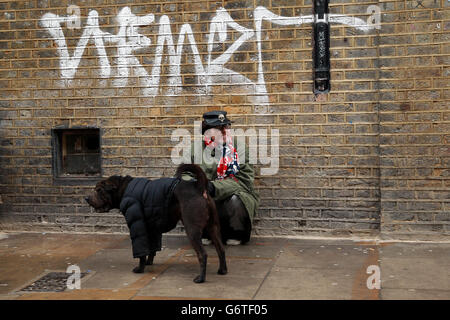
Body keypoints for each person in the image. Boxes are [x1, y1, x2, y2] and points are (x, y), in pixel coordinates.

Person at [184, 111, 259, 245]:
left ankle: (236, 233)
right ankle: (205, 233)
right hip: (204, 196)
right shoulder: (195, 148)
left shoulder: (239, 147)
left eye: (227, 127)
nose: (225, 131)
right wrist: (197, 187)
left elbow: (243, 180)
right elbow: (184, 174)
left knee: (236, 200)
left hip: (232, 195)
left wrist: (213, 187)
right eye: (219, 128)